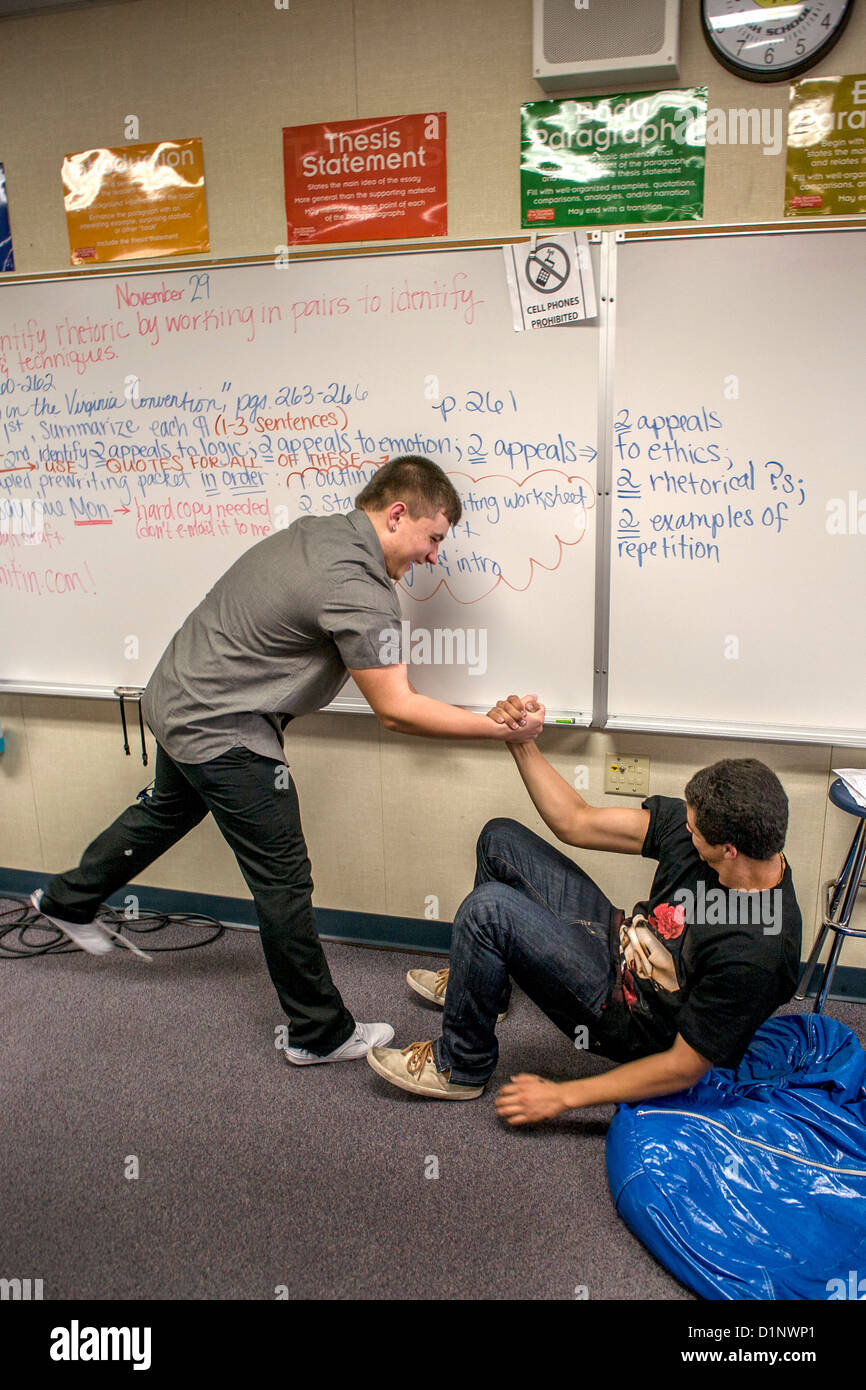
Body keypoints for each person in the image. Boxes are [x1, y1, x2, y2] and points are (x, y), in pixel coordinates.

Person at [29, 457, 543, 1066]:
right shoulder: (358, 584)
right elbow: (397, 710)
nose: (434, 555)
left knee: (167, 808)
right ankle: (316, 1033)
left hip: (173, 698)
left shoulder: (319, 532)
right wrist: (495, 728)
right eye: (433, 537)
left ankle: (66, 899)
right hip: (224, 728)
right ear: (397, 514)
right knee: (283, 881)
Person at [367, 695, 802, 1116]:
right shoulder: (717, 829)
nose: (685, 831)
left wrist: (563, 1097)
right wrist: (519, 741)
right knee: (500, 839)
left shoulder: (757, 952)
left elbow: (685, 1066)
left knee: (488, 911)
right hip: (619, 939)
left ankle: (460, 1067)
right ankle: (483, 987)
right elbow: (576, 820)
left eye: (693, 830)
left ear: (729, 850)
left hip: (632, 1019)